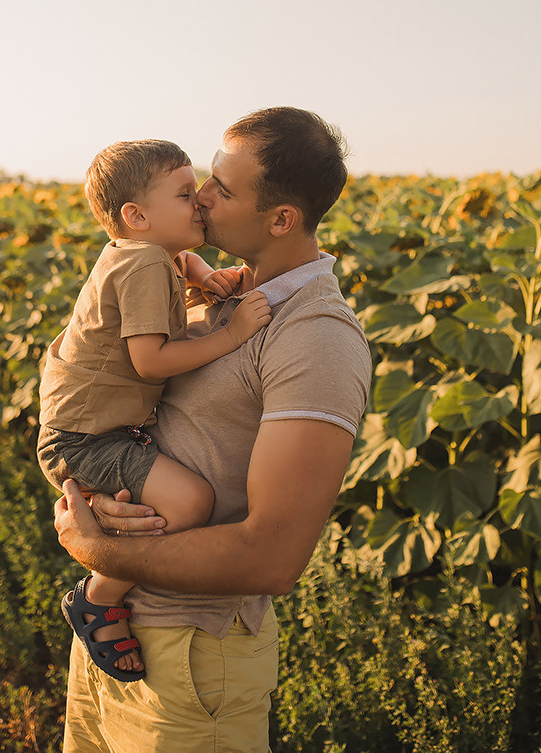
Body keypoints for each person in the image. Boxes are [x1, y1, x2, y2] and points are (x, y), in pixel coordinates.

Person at [54, 107, 373, 753]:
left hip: (194, 668)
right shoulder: (222, 292)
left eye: (222, 189)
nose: (200, 195)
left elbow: (274, 556)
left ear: (281, 219)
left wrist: (99, 554)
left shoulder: (316, 339)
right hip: (112, 639)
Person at [37, 138, 271, 681]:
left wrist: (197, 272)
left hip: (87, 426)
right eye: (186, 194)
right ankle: (98, 595)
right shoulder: (144, 263)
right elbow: (150, 361)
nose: (202, 202)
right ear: (136, 215)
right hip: (86, 439)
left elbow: (179, 257)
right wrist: (232, 333)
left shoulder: (146, 252)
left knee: (167, 502)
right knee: (189, 502)